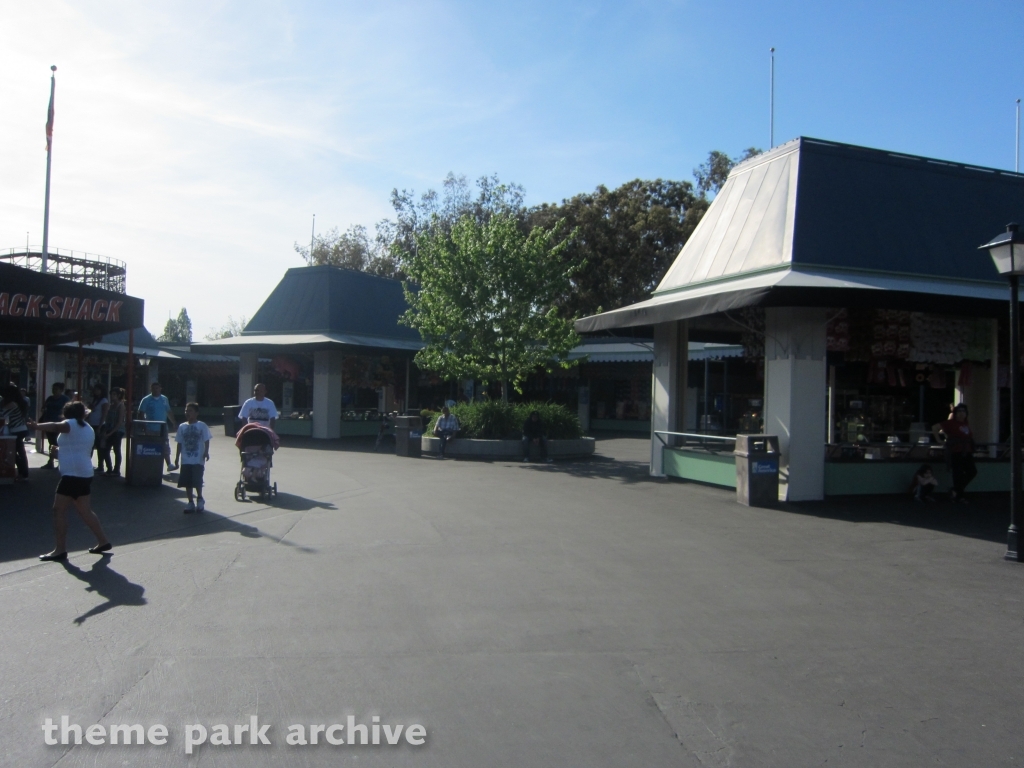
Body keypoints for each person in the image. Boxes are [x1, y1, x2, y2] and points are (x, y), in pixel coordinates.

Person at [27, 402, 111, 561]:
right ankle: (103, 541)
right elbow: (76, 449)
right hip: (84, 473)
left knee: (58, 510)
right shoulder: (87, 428)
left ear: (67, 414)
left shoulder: (70, 424)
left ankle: (60, 550)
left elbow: (56, 426)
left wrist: (37, 426)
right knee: (85, 510)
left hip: (73, 475)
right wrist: (59, 452)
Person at [933, 403, 977, 503]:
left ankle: (955, 491)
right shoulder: (950, 423)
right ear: (955, 413)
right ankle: (959, 496)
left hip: (967, 451)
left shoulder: (965, 423)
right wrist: (938, 440)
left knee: (972, 472)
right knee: (958, 474)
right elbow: (935, 427)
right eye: (959, 411)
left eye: (963, 411)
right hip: (955, 451)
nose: (961, 413)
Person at [174, 402, 211, 513]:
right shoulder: (182, 426)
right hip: (186, 459)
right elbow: (179, 443)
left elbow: (206, 440)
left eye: (190, 411)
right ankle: (190, 502)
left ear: (196, 413)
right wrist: (177, 458)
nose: (187, 413)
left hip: (197, 459)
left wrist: (206, 452)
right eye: (186, 410)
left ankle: (199, 498)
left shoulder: (202, 425)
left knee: (197, 480)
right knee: (187, 482)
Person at [138, 381, 177, 472]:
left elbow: (168, 411)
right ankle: (150, 465)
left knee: (165, 445)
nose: (155, 390)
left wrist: (174, 422)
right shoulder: (146, 399)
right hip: (150, 428)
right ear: (150, 389)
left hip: (162, 428)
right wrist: (144, 427)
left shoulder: (164, 399)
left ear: (160, 389)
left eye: (157, 388)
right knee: (150, 447)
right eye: (153, 388)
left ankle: (169, 464)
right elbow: (141, 413)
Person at [0, 384, 30, 480]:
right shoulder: (18, 402)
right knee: (20, 452)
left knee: (15, 453)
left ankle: (23, 472)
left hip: (16, 430)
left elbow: (2, 414)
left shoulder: (12, 404)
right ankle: (23, 473)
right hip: (21, 429)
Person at [40, 382, 70, 469]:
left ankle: (61, 462)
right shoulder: (50, 398)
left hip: (59, 424)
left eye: (56, 389)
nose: (54, 391)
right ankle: (50, 461)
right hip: (49, 423)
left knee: (59, 443)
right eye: (53, 389)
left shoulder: (65, 399)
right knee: (51, 443)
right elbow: (44, 407)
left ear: (61, 390)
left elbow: (69, 410)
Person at [99, 387, 126, 477]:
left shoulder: (120, 406)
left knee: (116, 449)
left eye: (114, 394)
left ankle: (116, 470)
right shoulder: (111, 405)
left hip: (118, 431)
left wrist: (110, 433)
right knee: (105, 449)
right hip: (109, 429)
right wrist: (105, 431)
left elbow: (119, 422)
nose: (112, 396)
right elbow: (107, 420)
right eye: (111, 394)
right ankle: (109, 468)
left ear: (118, 395)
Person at [86, 384, 109, 469]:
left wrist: (100, 426)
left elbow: (104, 414)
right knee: (90, 445)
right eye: (95, 390)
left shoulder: (104, 401)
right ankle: (88, 463)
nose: (95, 391)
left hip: (99, 425)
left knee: (99, 446)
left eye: (97, 390)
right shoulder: (95, 400)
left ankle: (100, 465)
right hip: (91, 424)